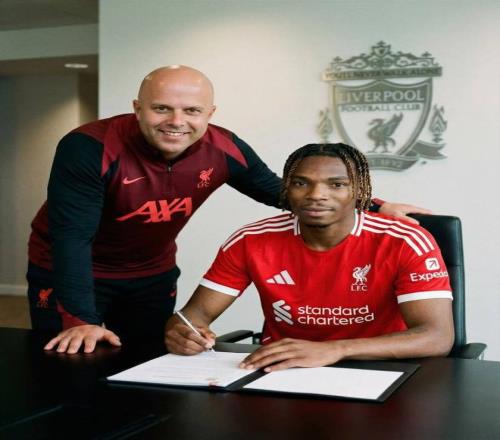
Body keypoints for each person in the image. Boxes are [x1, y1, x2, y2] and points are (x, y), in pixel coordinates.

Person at [29, 65, 429, 354]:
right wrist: (81, 318)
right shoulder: (90, 147)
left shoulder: (223, 147)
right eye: (161, 109)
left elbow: (279, 190)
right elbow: (72, 237)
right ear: (138, 108)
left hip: (150, 272)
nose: (176, 121)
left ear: (210, 114)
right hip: (71, 269)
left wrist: (376, 205)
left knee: (145, 362)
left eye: (192, 111)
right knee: (73, 362)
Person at [165, 143, 454, 371]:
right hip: (282, 370)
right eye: (301, 183)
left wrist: (334, 349)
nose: (316, 195)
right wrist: (182, 333)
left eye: (336, 184)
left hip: (378, 367)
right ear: (286, 189)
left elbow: (437, 336)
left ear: (360, 191)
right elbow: (192, 317)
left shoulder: (405, 240)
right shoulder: (250, 240)